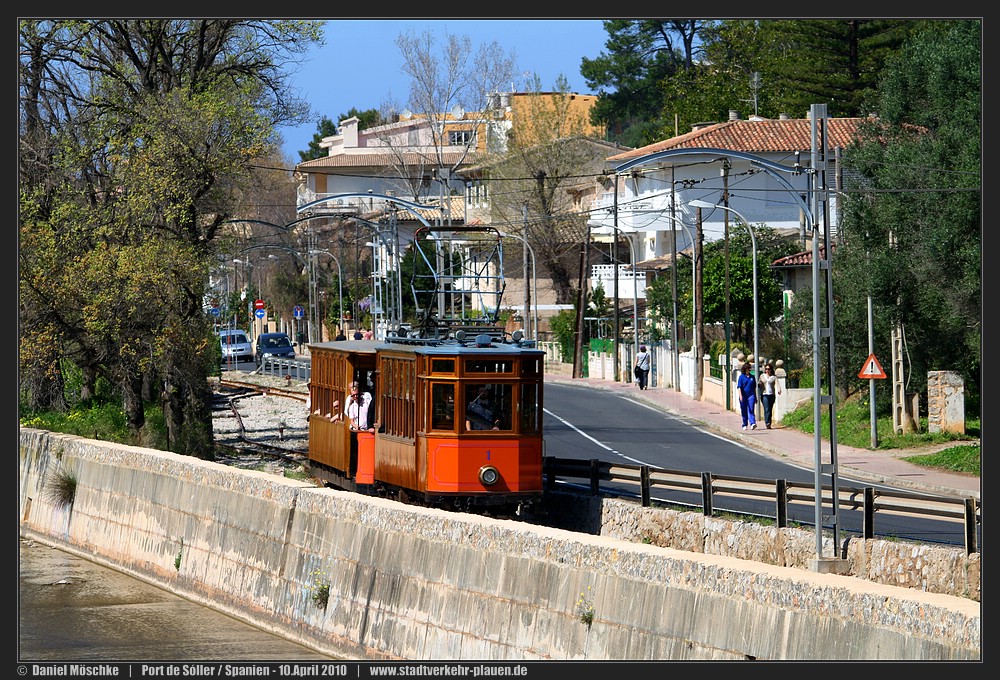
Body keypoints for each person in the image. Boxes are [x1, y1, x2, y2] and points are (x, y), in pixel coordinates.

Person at [758, 364, 781, 429]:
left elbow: (777, 384)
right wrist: (759, 384)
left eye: (768, 369)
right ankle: (767, 422)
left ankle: (769, 423)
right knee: (767, 409)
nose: (767, 370)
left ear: (771, 370)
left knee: (770, 409)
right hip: (764, 395)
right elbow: (759, 383)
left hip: (771, 395)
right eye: (766, 369)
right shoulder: (762, 376)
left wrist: (779, 390)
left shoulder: (774, 377)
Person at [737, 362, 758, 431]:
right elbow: (739, 387)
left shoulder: (752, 377)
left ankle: (752, 423)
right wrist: (740, 396)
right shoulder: (741, 377)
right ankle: (744, 424)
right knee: (744, 410)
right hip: (743, 395)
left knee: (751, 409)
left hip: (751, 395)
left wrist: (755, 396)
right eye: (748, 369)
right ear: (745, 369)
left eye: (750, 369)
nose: (749, 370)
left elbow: (754, 387)